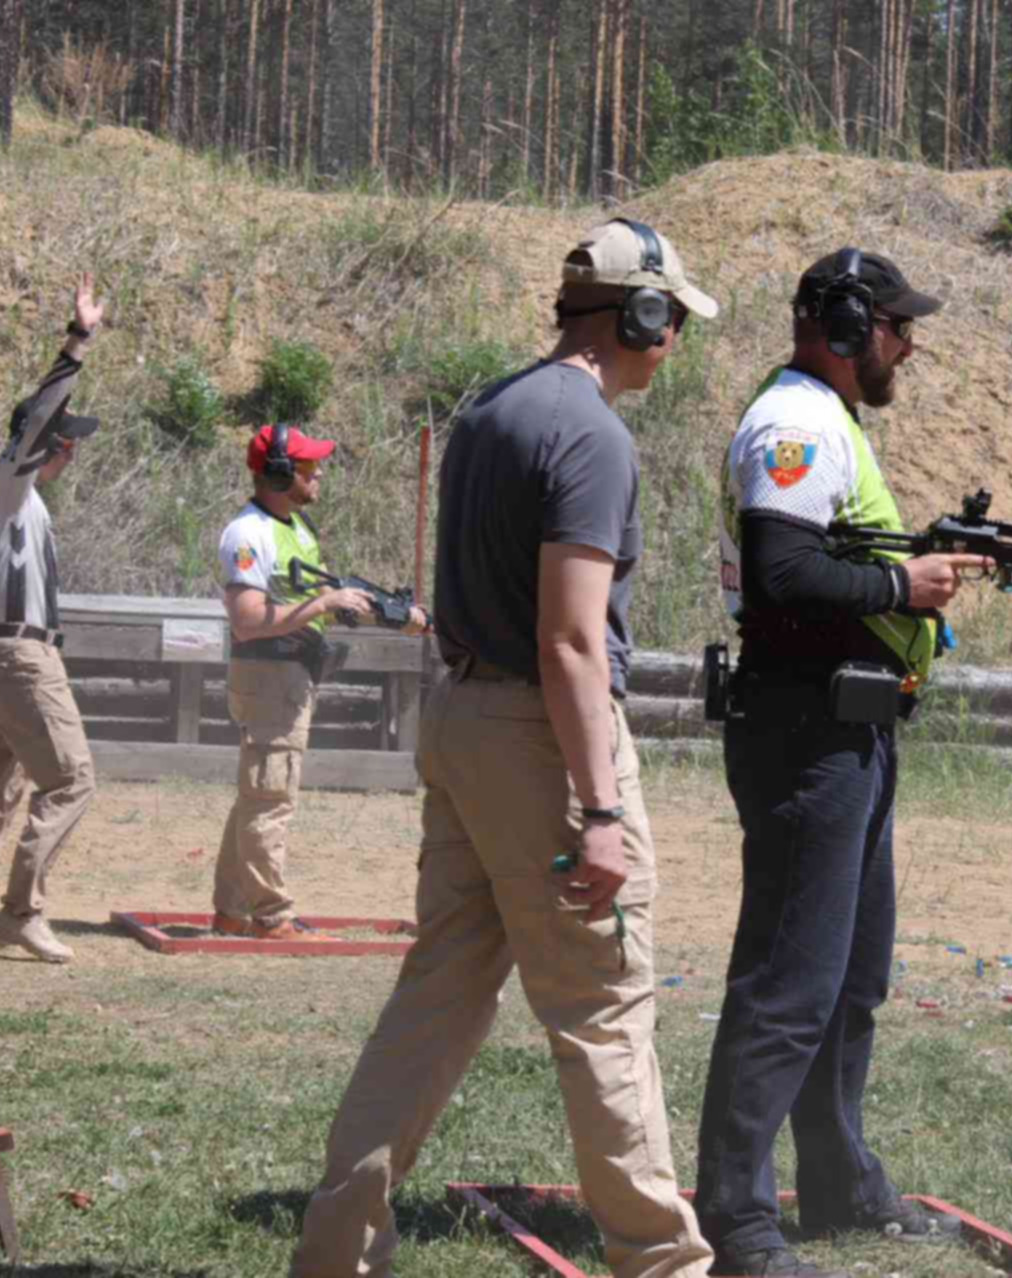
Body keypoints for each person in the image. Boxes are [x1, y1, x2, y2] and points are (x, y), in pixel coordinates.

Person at [289, 219, 718, 1278]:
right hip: (540, 735)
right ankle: (663, 1264)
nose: (675, 345)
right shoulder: (593, 437)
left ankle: (337, 1248)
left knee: (437, 994)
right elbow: (571, 638)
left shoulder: (491, 410)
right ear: (643, 316)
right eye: (673, 324)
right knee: (603, 1010)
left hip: (465, 719)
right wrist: (602, 811)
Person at [695, 250, 985, 1278]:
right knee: (787, 982)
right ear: (852, 326)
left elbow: (827, 556)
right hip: (804, 735)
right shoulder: (797, 425)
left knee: (850, 980)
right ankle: (736, 1221)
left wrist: (904, 568)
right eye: (900, 327)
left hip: (847, 732)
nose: (908, 346)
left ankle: (836, 1181)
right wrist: (902, 586)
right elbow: (781, 574)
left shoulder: (827, 423)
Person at [213, 423, 427, 941]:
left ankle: (234, 909)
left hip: (289, 673)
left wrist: (394, 615)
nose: (319, 471)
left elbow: (327, 602)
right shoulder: (249, 534)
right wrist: (323, 604)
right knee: (271, 797)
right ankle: (272, 917)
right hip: (269, 673)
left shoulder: (298, 528)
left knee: (257, 794)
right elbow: (246, 619)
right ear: (281, 472)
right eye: (309, 465)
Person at [0, 275, 105, 965]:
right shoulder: (7, 484)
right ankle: (22, 909)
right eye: (64, 441)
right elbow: (39, 414)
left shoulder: (17, 498)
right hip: (19, 656)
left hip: (4, 654)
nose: (71, 451)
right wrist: (78, 340)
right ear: (41, 443)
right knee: (72, 779)